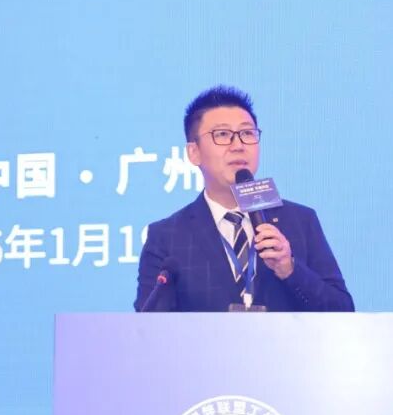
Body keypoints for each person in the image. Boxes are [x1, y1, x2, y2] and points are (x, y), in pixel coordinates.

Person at [134, 86, 354, 312]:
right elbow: (146, 325)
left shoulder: (300, 221)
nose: (238, 146)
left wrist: (290, 269)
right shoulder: (166, 236)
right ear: (194, 152)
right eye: (222, 135)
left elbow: (342, 310)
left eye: (247, 133)